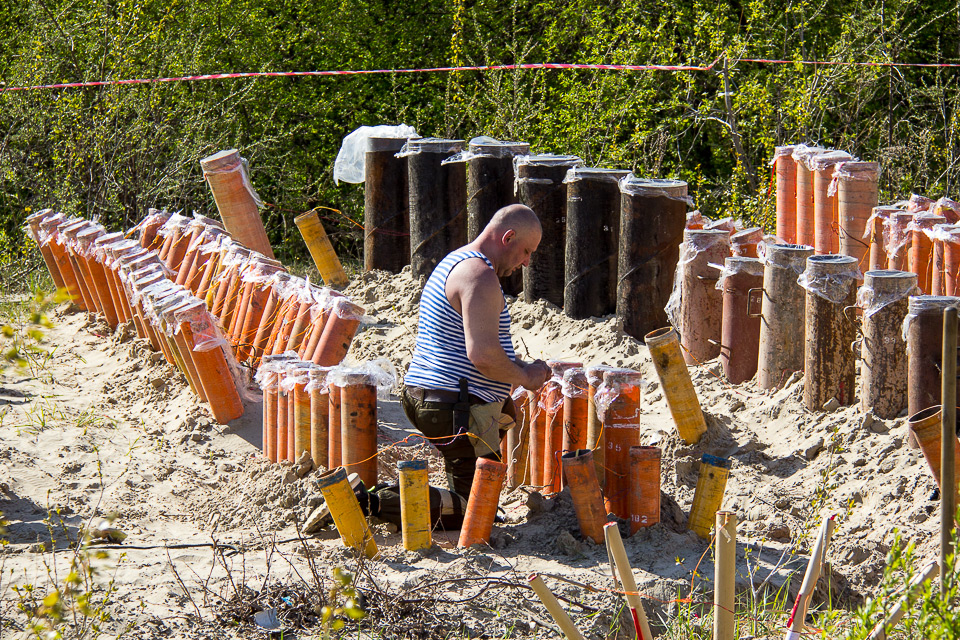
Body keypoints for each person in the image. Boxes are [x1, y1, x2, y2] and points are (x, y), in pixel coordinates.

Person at [402, 204, 552, 500]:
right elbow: (482, 355)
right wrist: (525, 376)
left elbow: (470, 345)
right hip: (450, 407)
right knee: (475, 513)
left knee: (482, 499)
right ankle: (365, 500)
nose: (526, 262)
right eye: (526, 251)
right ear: (507, 237)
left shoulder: (459, 261)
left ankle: (455, 489)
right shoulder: (479, 275)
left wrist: (517, 366)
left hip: (440, 399)